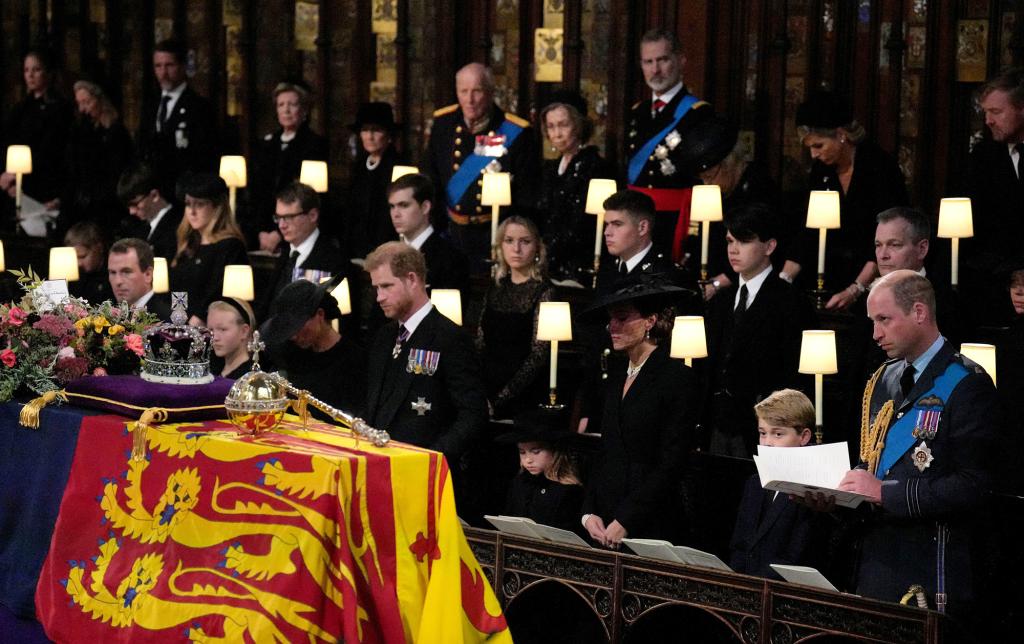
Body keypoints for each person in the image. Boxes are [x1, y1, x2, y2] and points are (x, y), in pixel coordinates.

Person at [834, 270, 999, 625]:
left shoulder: (969, 384)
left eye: (884, 320)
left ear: (919, 312)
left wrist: (885, 494)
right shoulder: (883, 378)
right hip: (875, 562)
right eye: (872, 321)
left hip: (928, 569)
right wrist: (835, 498)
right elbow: (872, 465)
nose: (875, 334)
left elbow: (974, 485)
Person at [580, 274, 697, 547]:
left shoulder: (676, 376)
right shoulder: (616, 373)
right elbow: (605, 449)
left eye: (622, 318)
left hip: (651, 520)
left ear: (650, 321)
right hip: (606, 518)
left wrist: (627, 519)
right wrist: (589, 511)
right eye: (611, 319)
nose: (612, 326)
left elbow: (672, 460)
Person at [706, 203, 815, 457]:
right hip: (716, 424)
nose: (733, 249)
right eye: (730, 240)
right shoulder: (721, 301)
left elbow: (795, 372)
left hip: (764, 428)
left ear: (769, 246)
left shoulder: (791, 302)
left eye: (744, 241)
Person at [363, 242, 487, 465]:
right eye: (376, 288)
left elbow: (473, 414)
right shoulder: (384, 336)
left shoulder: (450, 338)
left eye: (386, 286)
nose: (379, 297)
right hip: (377, 464)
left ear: (412, 279)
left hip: (423, 471)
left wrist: (433, 458)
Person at [794, 91, 908, 310]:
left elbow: (890, 235)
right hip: (828, 274)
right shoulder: (821, 170)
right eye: (809, 147)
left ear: (841, 135)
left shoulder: (879, 167)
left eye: (818, 146)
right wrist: (784, 278)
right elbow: (806, 230)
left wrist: (857, 288)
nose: (813, 155)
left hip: (874, 278)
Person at [426, 62, 540, 271]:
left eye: (477, 91)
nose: (469, 100)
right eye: (463, 91)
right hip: (450, 232)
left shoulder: (516, 132)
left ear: (490, 92)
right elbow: (430, 177)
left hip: (494, 237)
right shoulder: (443, 124)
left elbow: (526, 194)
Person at [679, 115, 798, 300]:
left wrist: (717, 283)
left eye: (710, 176)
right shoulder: (717, 190)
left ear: (729, 164)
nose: (706, 183)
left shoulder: (759, 187)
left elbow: (755, 249)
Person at [625, 29, 713, 262]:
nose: (655, 70)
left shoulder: (698, 113)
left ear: (680, 60)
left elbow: (704, 179)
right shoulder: (637, 112)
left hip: (676, 220)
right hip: (638, 221)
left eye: (663, 60)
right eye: (648, 62)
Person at [729, 389, 824, 578]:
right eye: (763, 434)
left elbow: (799, 558)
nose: (767, 443)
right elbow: (739, 545)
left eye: (778, 434)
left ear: (804, 437)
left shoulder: (811, 490)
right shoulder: (754, 483)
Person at [476, 216, 554, 419]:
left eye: (525, 241)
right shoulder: (495, 288)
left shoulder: (545, 292)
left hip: (522, 396)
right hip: (484, 392)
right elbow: (480, 344)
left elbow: (538, 356)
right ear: (501, 245)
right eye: (509, 240)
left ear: (537, 247)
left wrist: (500, 398)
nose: (516, 249)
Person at [963, 68, 1024, 326]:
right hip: (996, 281)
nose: (987, 120)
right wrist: (1012, 275)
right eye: (985, 112)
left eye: (996, 112)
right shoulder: (983, 158)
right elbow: (977, 226)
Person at [536, 90, 615, 279]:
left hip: (580, 265)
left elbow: (584, 223)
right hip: (550, 262)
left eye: (563, 125)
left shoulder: (594, 166)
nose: (557, 134)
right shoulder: (552, 167)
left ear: (579, 125)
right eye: (551, 126)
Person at [260, 279, 365, 415]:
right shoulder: (289, 353)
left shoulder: (353, 360)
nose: (293, 336)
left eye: (297, 327)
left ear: (320, 315)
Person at [251, 81, 328, 251]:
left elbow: (308, 195)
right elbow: (257, 192)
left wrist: (278, 233)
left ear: (304, 110)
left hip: (295, 229)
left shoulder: (314, 145)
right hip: (262, 230)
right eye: (281, 105)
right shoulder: (266, 144)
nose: (286, 110)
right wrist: (260, 231)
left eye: (292, 104)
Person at [137, 40, 218, 200]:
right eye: (158, 66)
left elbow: (204, 156)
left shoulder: (199, 107)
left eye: (169, 65)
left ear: (182, 67)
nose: (163, 72)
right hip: (153, 192)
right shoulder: (150, 105)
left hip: (182, 191)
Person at [169, 172, 248, 325]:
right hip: (180, 325)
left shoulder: (230, 246)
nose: (192, 211)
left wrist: (196, 322)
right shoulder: (187, 244)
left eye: (199, 204)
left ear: (217, 207)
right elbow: (178, 289)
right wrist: (176, 323)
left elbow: (219, 294)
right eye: (188, 204)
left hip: (210, 329)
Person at [0, 50, 73, 214]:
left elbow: (51, 149)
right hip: (14, 185)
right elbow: (7, 141)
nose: (30, 75)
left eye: (36, 70)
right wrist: (7, 176)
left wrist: (17, 175)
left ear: (47, 73)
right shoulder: (20, 109)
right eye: (26, 70)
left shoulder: (60, 109)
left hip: (43, 184)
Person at [260, 181, 346, 318]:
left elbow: (339, 318)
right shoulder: (286, 254)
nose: (281, 225)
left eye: (288, 217)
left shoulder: (333, 260)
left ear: (312, 215)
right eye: (278, 218)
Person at [500, 409, 584, 534]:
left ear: (554, 451)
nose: (528, 460)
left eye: (536, 452)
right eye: (522, 452)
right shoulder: (519, 483)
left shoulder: (568, 491)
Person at [386, 173, 470, 294]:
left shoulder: (451, 259)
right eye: (392, 206)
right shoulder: (387, 254)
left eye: (404, 205)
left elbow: (448, 311)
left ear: (425, 207)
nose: (395, 214)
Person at [66, 80, 134, 228]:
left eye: (87, 102)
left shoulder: (117, 133)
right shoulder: (85, 131)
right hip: (87, 203)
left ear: (100, 100)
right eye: (79, 103)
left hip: (109, 205)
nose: (83, 109)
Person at [348, 102, 404, 258]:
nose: (369, 136)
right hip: (356, 248)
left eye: (376, 130)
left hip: (385, 247)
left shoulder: (398, 166)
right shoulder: (358, 166)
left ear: (388, 135)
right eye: (365, 130)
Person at [593, 189, 674, 293]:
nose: (607, 232)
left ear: (642, 228)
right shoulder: (607, 272)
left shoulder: (667, 275)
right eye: (607, 224)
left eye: (617, 224)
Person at [116, 162, 182, 261]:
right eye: (128, 206)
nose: (131, 211)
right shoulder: (142, 230)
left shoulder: (177, 226)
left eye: (135, 204)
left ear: (154, 195)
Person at [107, 237, 171, 319]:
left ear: (148, 275)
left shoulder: (167, 321)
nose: (117, 281)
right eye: (112, 272)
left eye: (126, 272)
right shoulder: (108, 319)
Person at [64, 220, 112, 303]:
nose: (79, 263)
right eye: (74, 258)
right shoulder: (74, 276)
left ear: (99, 248)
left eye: (82, 256)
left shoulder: (113, 273)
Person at [206, 298, 255, 379]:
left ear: (244, 331)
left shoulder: (249, 379)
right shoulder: (211, 371)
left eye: (222, 329)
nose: (215, 338)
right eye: (211, 330)